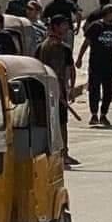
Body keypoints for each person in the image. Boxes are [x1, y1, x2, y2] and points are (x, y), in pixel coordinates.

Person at [35, 15, 78, 167]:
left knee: (49, 122)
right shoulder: (58, 47)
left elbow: (71, 69)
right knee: (60, 123)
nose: (67, 28)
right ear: (55, 27)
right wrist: (66, 89)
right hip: (55, 90)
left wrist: (71, 87)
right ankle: (63, 154)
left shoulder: (42, 46)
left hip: (46, 90)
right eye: (64, 25)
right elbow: (62, 71)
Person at [77, 4, 112, 127]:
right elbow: (86, 42)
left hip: (110, 64)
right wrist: (80, 58)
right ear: (108, 13)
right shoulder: (96, 26)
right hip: (96, 63)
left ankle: (103, 114)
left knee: (109, 90)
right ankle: (94, 114)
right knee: (94, 89)